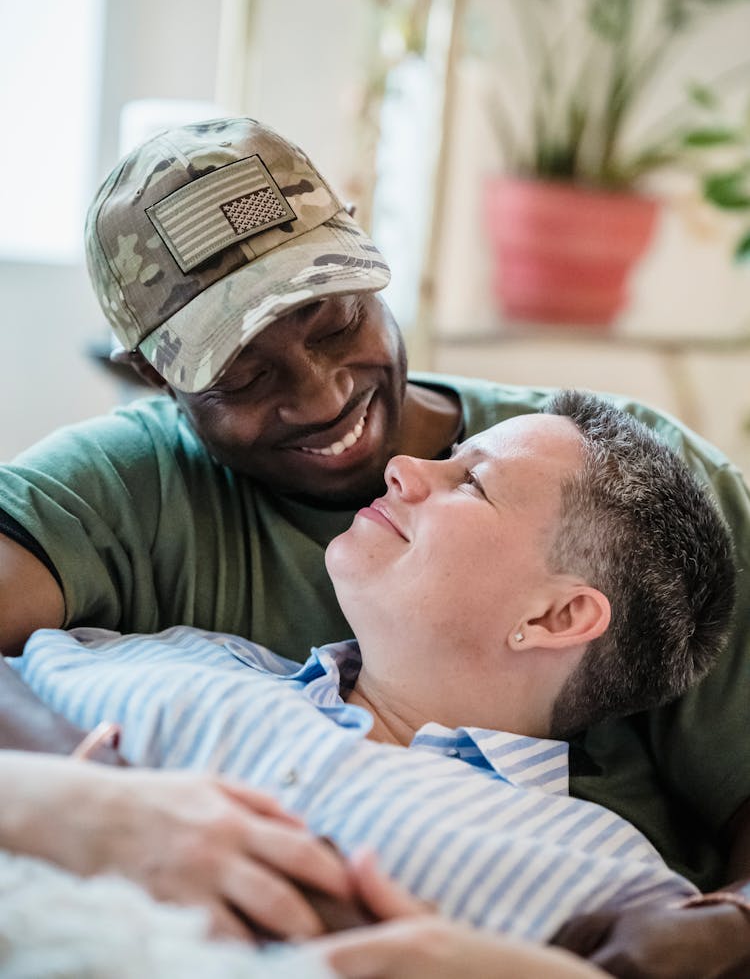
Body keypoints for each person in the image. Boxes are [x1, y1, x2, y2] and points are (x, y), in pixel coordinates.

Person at [1, 117, 750, 974]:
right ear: (154, 376)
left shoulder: (619, 479)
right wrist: (84, 804)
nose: (321, 393)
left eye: (336, 320)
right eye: (245, 374)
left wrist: (724, 927)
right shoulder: (136, 529)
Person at [6, 393, 737, 967]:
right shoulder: (172, 662)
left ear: (556, 615)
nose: (404, 466)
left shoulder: (608, 881)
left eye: (472, 482)